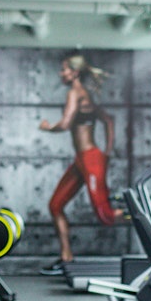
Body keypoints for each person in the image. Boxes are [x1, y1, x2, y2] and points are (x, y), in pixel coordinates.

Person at [38, 54, 121, 275]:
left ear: (74, 73)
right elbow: (108, 120)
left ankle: (148, 216)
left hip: (91, 159)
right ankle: (66, 257)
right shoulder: (85, 94)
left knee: (106, 216)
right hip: (82, 160)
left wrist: (47, 127)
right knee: (55, 205)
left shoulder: (75, 93)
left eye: (64, 69)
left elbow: (65, 124)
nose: (61, 73)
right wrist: (108, 152)